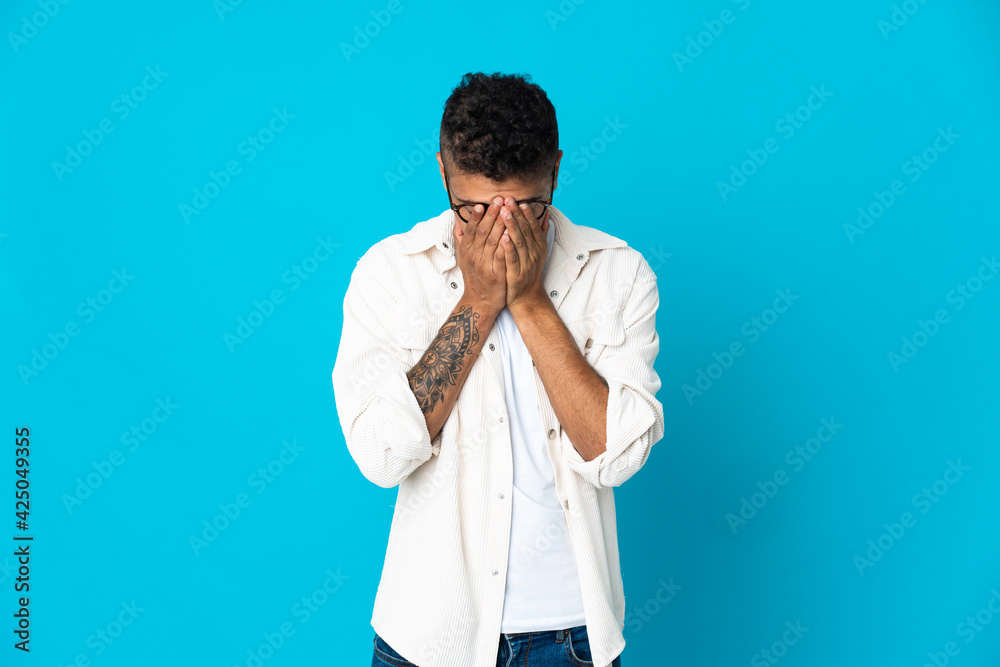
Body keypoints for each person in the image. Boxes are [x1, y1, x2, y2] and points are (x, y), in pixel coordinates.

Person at [331, 71, 664, 667]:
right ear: (442, 173)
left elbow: (618, 455)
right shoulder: (388, 274)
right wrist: (479, 300)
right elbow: (380, 457)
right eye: (475, 209)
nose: (501, 229)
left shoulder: (618, 273)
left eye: (528, 207)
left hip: (574, 639)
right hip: (429, 637)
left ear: (556, 172)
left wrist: (530, 301)